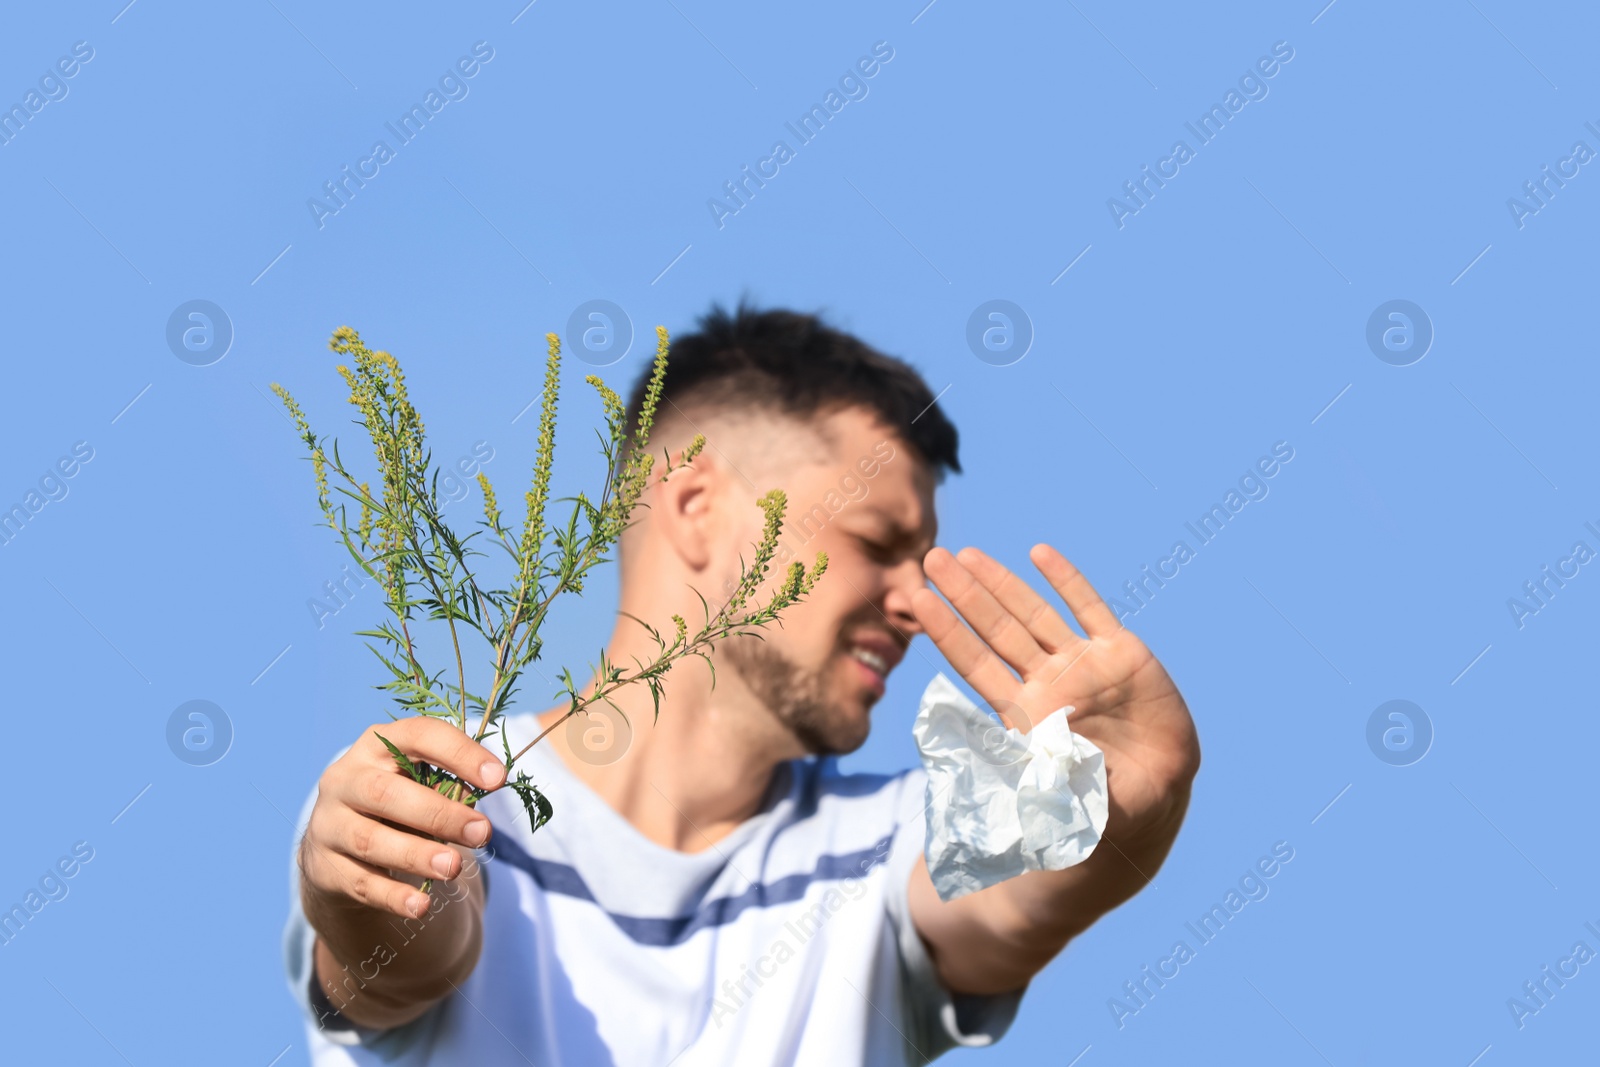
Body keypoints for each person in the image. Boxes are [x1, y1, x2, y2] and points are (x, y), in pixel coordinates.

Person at [281, 301, 1201, 1065]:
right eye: (877, 544)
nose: (916, 605)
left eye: (922, 565)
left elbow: (1009, 907)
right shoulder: (456, 800)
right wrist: (379, 887)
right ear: (694, 505)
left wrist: (1106, 815)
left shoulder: (879, 850)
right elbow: (403, 961)